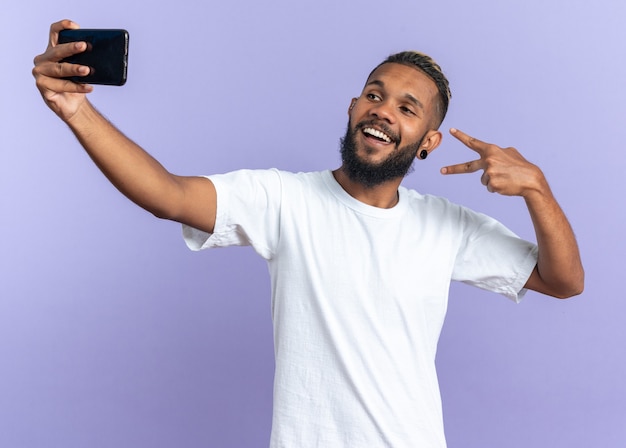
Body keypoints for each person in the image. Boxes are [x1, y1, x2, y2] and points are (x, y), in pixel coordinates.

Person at [33, 19, 584, 448]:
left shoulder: (448, 226)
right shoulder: (284, 199)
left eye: (407, 108)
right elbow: (167, 195)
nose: (384, 110)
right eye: (374, 93)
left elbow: (564, 281)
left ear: (427, 142)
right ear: (352, 108)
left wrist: (538, 190)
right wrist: (76, 111)